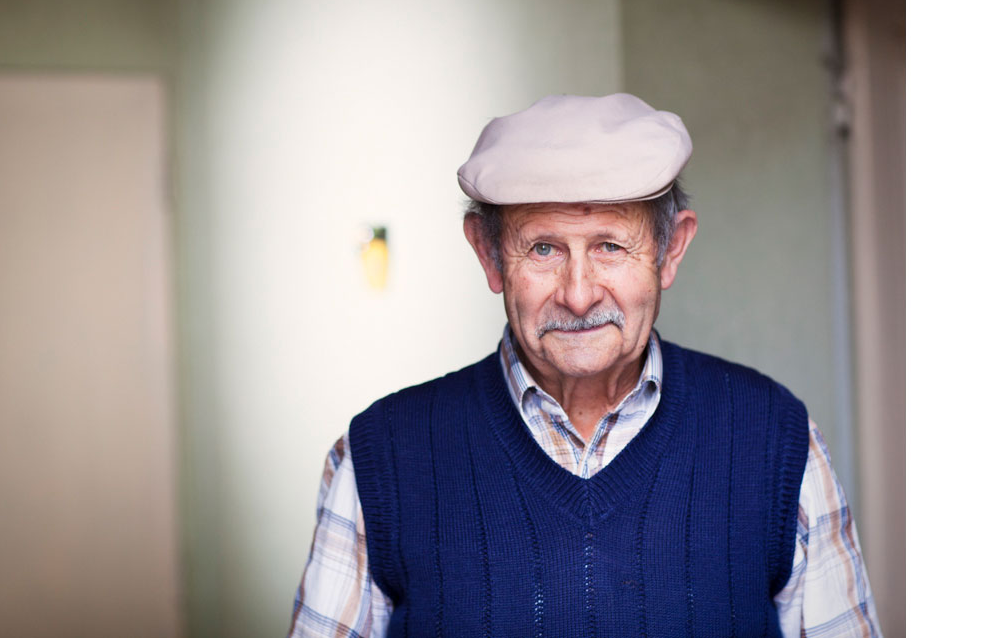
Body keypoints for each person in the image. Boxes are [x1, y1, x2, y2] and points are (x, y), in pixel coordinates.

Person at [288, 94, 880, 637]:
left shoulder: (775, 438)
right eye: (543, 248)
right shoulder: (381, 455)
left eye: (610, 247)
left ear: (670, 251)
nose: (578, 294)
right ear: (489, 256)